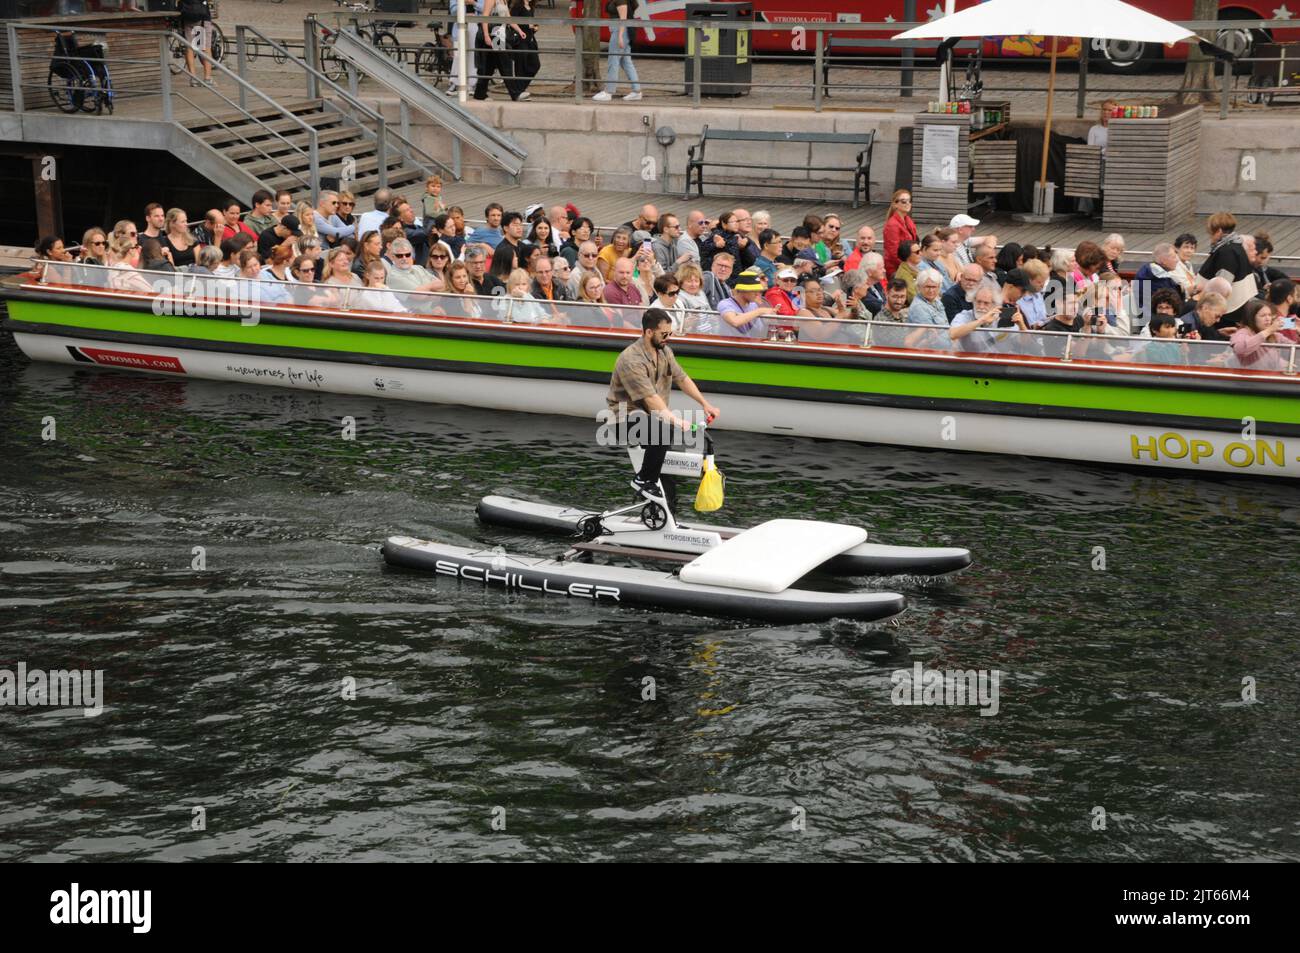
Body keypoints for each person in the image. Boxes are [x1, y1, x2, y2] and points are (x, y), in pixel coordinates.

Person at [608, 309, 720, 504]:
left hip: (655, 420)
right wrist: (676, 419)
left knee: (666, 473)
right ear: (649, 332)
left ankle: (666, 521)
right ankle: (642, 479)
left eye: (670, 333)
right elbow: (650, 398)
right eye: (664, 334)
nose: (668, 338)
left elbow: (682, 378)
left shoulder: (664, 351)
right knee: (661, 431)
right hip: (624, 419)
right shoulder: (631, 359)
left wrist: (705, 404)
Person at [594, 0, 641, 102]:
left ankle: (609, 92)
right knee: (626, 62)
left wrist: (620, 36)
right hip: (620, 31)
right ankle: (636, 91)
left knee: (613, 60)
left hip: (619, 31)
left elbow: (623, 19)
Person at [716, 269, 777, 338]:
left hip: (748, 345)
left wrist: (768, 320)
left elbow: (759, 331)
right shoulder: (725, 303)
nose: (757, 293)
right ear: (742, 290)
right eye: (754, 290)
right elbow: (735, 321)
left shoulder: (753, 305)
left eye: (759, 290)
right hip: (728, 346)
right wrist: (760, 311)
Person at [1230, 299, 1287, 371]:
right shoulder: (1243, 332)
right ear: (1252, 318)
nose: (1268, 319)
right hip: (1249, 380)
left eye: (1269, 315)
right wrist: (1269, 331)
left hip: (1271, 379)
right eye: (1263, 315)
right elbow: (1240, 349)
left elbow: (1295, 348)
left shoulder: (1275, 335)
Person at [949, 285, 1006, 353]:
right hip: (968, 359)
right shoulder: (964, 315)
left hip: (994, 360)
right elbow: (952, 334)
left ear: (994, 305)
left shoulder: (1000, 318)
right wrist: (982, 320)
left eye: (986, 303)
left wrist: (1021, 326)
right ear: (973, 301)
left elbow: (1016, 343)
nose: (981, 306)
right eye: (978, 302)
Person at [881, 189, 917, 278]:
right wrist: (909, 267)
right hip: (896, 269)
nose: (908, 203)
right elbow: (893, 253)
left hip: (908, 263)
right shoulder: (892, 225)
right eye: (904, 201)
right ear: (895, 204)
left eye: (909, 200)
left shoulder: (908, 220)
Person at [178, 0, 214, 87]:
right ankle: (207, 78)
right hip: (202, 18)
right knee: (205, 48)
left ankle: (193, 78)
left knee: (190, 47)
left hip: (188, 17)